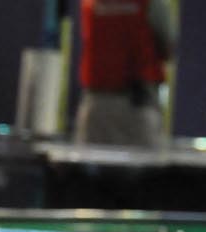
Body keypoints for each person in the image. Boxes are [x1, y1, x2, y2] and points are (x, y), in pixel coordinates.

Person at [74, 0, 175, 148]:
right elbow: (167, 49)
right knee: (143, 169)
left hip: (95, 105)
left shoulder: (90, 3)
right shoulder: (151, 3)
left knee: (92, 168)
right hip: (137, 105)